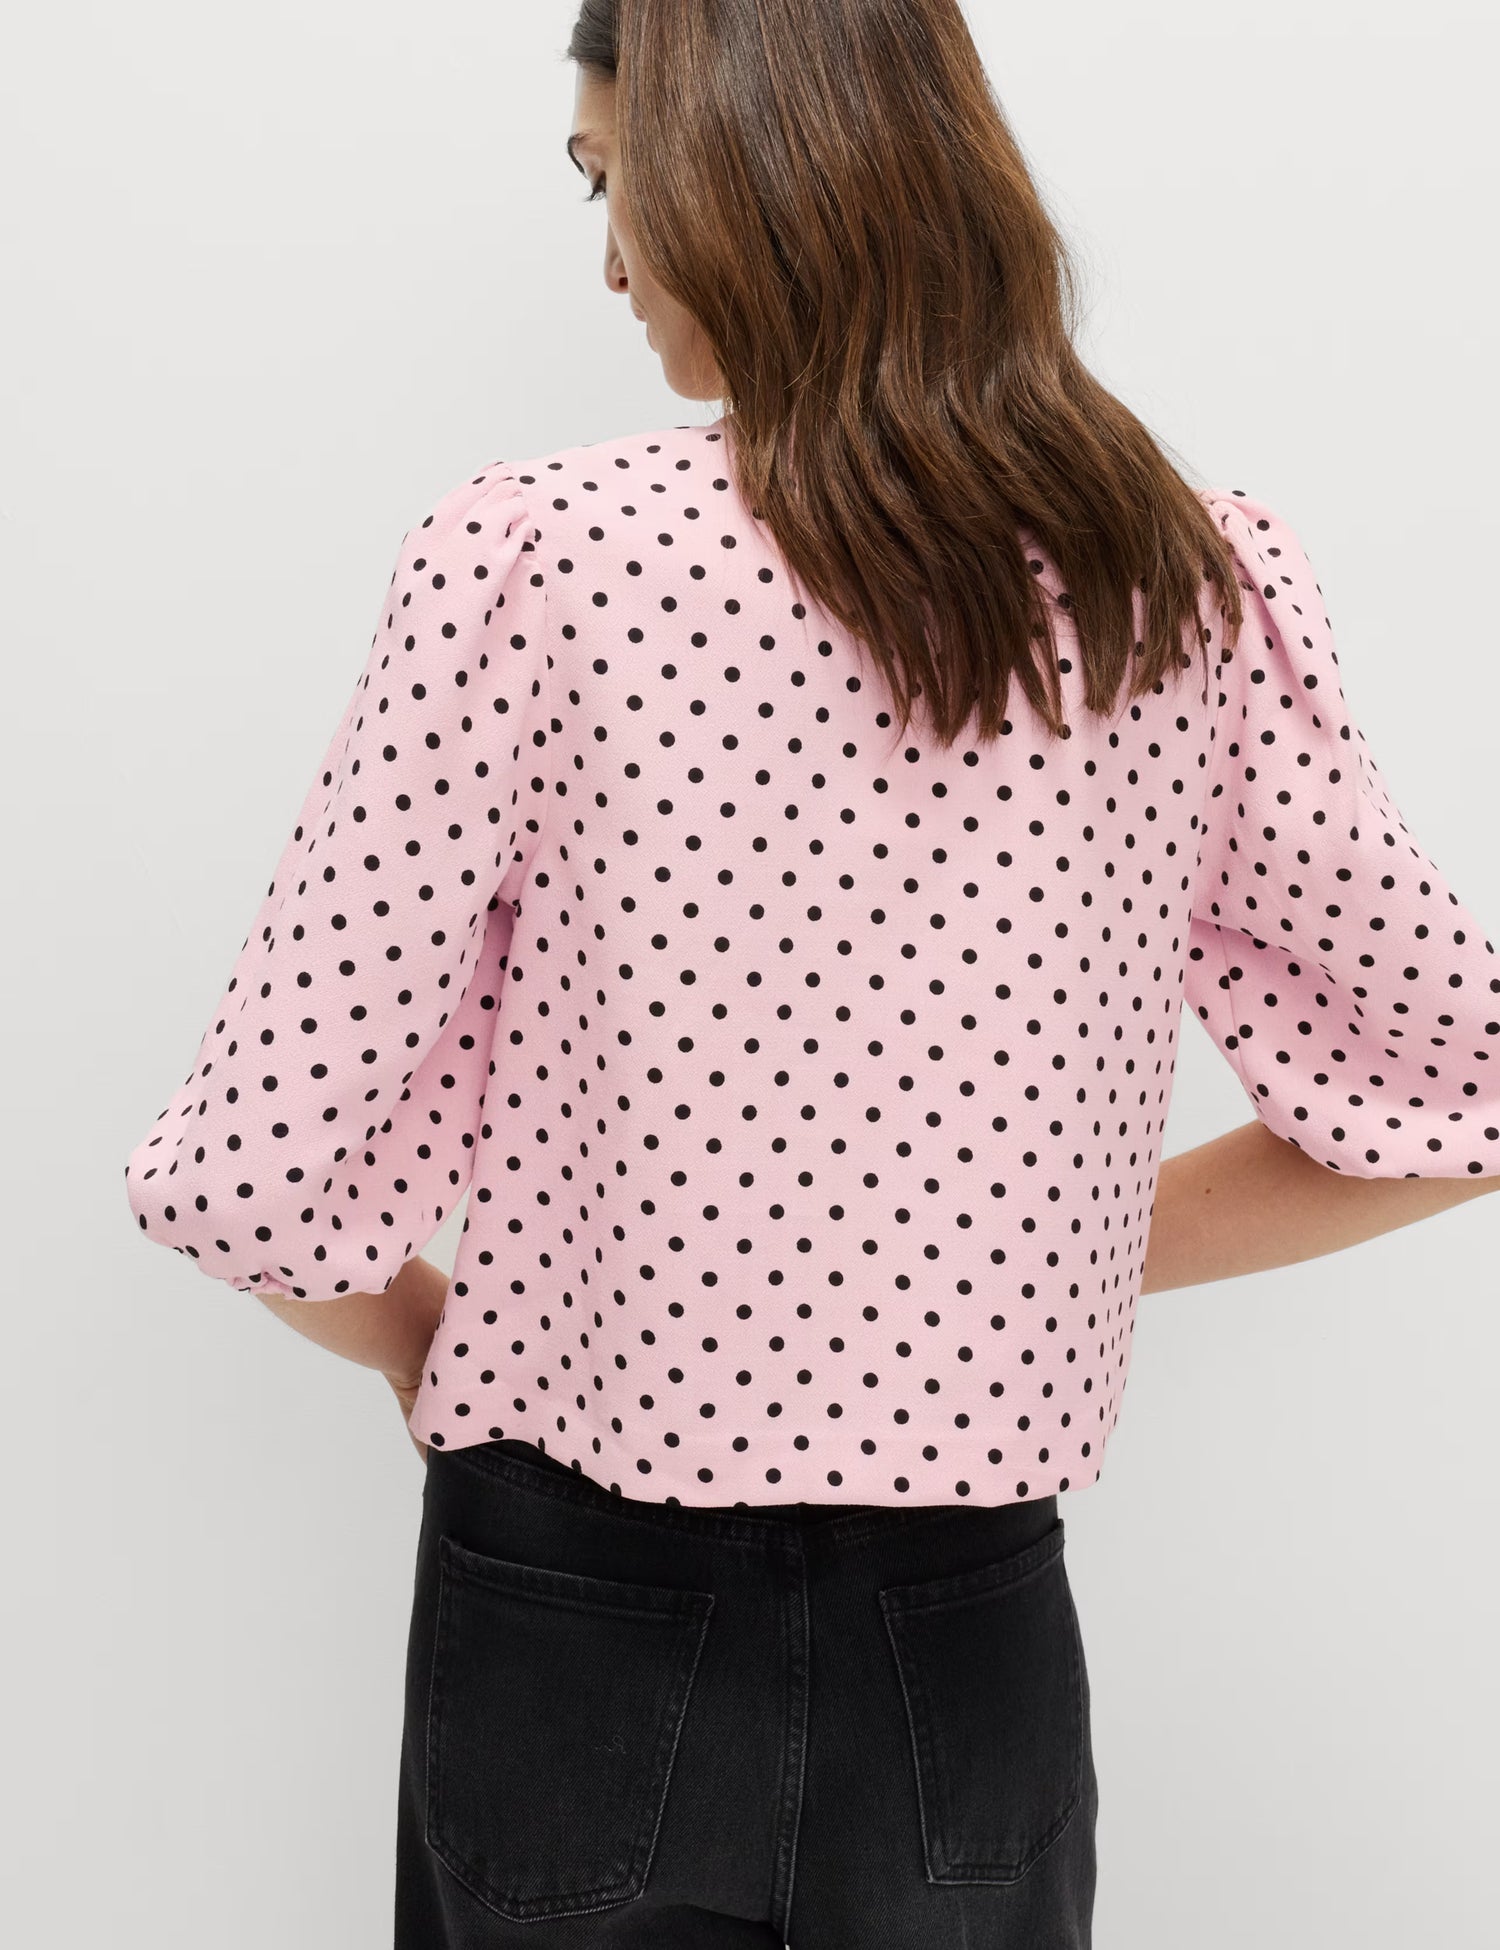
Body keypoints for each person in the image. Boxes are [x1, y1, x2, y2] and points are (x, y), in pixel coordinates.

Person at [122, 3, 1500, 1944]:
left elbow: (255, 1173)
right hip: (966, 1643)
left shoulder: (532, 564)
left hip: (568, 1619)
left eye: (617, 185)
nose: (611, 263)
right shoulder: (1176, 584)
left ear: (748, 177)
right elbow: (1463, 1087)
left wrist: (434, 1330)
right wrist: (1022, 1244)